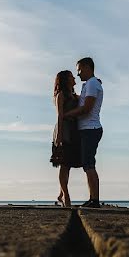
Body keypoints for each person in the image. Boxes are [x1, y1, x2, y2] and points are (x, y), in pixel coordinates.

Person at [64, 56, 103, 208]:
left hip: (90, 129)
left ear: (87, 67)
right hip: (86, 130)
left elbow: (87, 108)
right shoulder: (91, 84)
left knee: (89, 164)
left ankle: (94, 200)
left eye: (79, 69)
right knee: (87, 164)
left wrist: (67, 115)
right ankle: (93, 199)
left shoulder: (92, 83)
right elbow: (83, 101)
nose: (78, 73)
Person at [50, 69, 82, 207]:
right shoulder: (61, 95)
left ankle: (61, 194)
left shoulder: (74, 96)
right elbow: (60, 116)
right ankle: (66, 197)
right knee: (64, 165)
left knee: (67, 164)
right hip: (64, 130)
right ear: (65, 80)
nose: (74, 78)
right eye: (71, 76)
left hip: (74, 131)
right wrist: (59, 136)